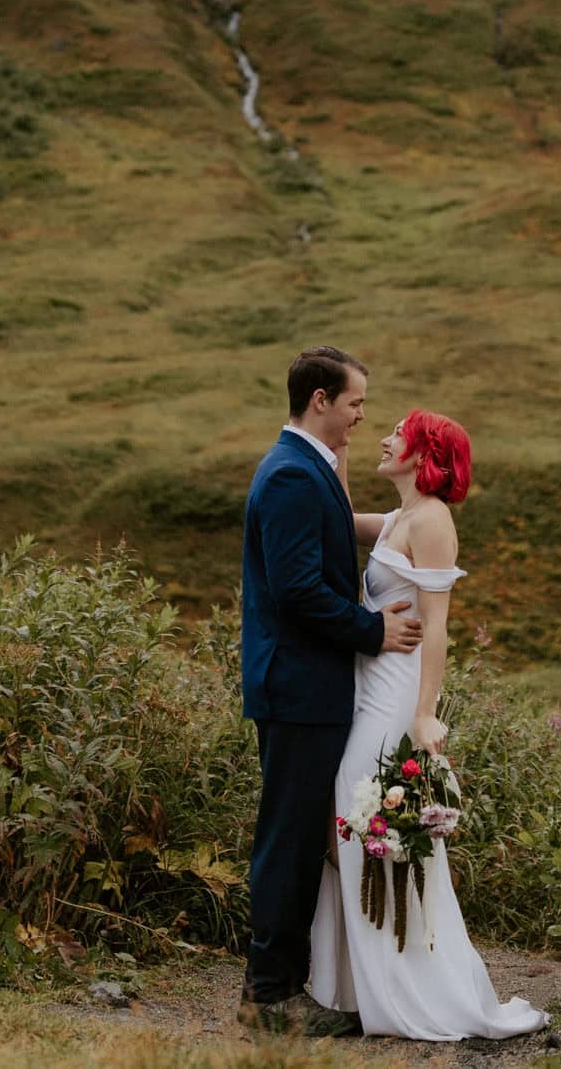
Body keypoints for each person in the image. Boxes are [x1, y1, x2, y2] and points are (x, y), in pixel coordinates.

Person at [307, 409, 547, 1041]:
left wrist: (424, 713)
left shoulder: (434, 519)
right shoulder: (400, 519)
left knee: (367, 826)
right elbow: (335, 518)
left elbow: (437, 623)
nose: (386, 439)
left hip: (394, 700)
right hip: (368, 689)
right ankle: (360, 983)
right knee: (348, 829)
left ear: (423, 453)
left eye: (397, 434)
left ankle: (409, 986)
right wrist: (333, 446)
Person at [237, 346, 424, 1037]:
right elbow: (298, 591)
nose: (359, 418)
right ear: (320, 400)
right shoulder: (288, 476)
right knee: (286, 838)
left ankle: (280, 983)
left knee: (295, 834)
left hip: (305, 685)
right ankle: (270, 997)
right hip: (296, 686)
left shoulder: (306, 467)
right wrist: (371, 630)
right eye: (353, 404)